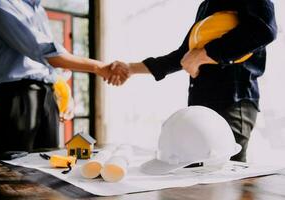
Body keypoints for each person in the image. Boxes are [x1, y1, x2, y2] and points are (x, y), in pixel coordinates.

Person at [107, 0, 277, 162]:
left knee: (227, 177)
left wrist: (204, 54)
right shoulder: (206, 5)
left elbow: (264, 29)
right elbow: (183, 55)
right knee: (196, 176)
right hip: (200, 103)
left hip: (232, 101)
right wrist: (130, 68)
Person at [0, 0, 127, 156]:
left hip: (47, 96)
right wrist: (99, 67)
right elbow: (41, 50)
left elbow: (47, 67)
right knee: (11, 171)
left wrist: (64, 93)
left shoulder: (38, 10)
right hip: (17, 97)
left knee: (48, 168)